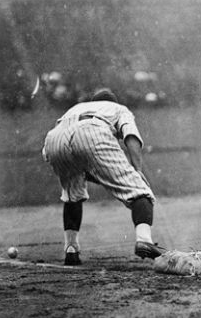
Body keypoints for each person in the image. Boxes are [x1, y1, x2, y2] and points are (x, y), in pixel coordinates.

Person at [42, 88, 162, 265]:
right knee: (140, 192)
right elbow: (131, 136)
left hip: (54, 141)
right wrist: (137, 170)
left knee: (72, 194)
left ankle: (71, 248)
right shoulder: (118, 108)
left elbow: (63, 143)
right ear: (112, 102)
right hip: (91, 131)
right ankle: (144, 240)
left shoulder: (77, 107)